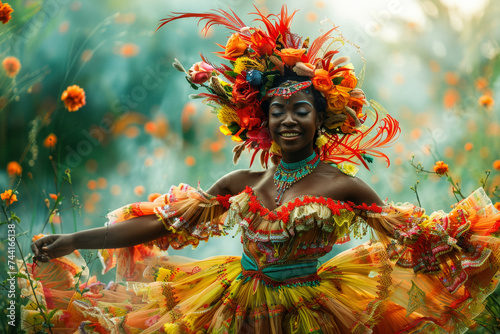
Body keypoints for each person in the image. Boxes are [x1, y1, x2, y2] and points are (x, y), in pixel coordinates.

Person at [26, 6, 500, 334]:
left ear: (321, 119)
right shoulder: (240, 184)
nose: (288, 120)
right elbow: (158, 225)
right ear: (260, 120)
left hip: (317, 311)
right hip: (231, 304)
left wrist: (478, 236)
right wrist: (72, 239)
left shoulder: (345, 185)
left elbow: (418, 238)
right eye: (277, 110)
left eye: (301, 110)